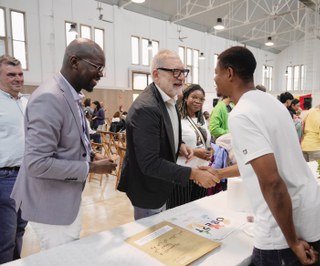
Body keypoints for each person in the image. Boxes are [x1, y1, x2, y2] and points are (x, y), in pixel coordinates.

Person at [209, 46, 320, 265]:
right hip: (308, 212)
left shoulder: (241, 114)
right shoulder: (272, 103)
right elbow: (267, 162)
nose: (215, 79)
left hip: (282, 231)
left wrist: (292, 241)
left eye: (216, 73)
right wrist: (219, 173)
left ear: (229, 73)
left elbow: (272, 181)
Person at [11, 38, 117, 250]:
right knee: (63, 257)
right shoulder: (50, 97)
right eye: (97, 67)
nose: (101, 74)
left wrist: (90, 155)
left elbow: (68, 139)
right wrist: (90, 168)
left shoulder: (70, 94)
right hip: (50, 204)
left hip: (64, 197)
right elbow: (37, 163)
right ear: (75, 62)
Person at [117, 49, 219, 220]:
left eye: (184, 72)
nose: (181, 77)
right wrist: (193, 174)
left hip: (163, 184)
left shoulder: (169, 100)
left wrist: (179, 146)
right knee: (152, 238)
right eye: (175, 72)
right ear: (156, 75)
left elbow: (162, 135)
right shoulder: (147, 108)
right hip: (149, 188)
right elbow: (149, 162)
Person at [166, 84, 213, 209]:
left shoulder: (201, 119)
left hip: (201, 171)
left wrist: (211, 150)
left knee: (199, 210)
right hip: (183, 172)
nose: (198, 101)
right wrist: (197, 152)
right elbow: (171, 146)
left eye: (201, 99)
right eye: (194, 97)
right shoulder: (176, 119)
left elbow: (206, 142)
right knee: (179, 211)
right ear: (186, 98)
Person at [0, 55, 28, 264]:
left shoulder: (27, 102)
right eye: (11, 75)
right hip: (5, 177)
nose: (18, 78)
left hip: (28, 176)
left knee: (20, 229)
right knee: (6, 236)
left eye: (20, 74)